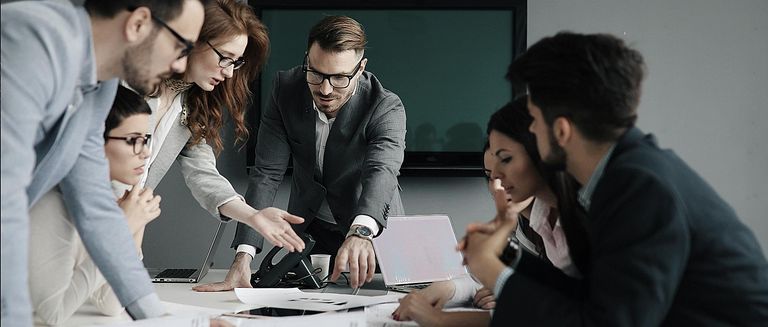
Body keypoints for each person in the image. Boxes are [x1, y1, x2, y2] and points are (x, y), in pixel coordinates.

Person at [462, 32, 768, 326]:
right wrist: (507, 255)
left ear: (562, 131)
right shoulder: (631, 172)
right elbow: (593, 300)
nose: (531, 132)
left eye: (535, 121)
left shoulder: (638, 187)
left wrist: (491, 271)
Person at [1, 0, 206, 324]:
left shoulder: (101, 84)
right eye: (182, 47)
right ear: (138, 22)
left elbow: (96, 205)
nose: (181, 66)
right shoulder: (35, 37)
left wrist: (160, 319)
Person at [196, 15, 407, 292]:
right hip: (311, 232)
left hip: (371, 229)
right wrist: (242, 257)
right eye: (316, 74)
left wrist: (362, 231)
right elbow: (266, 174)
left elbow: (381, 171)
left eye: (340, 78)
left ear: (360, 68)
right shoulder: (286, 89)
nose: (326, 89)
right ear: (307, 59)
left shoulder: (385, 106)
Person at [137, 0, 305, 285]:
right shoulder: (130, 88)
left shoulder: (193, 105)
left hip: (126, 227)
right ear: (192, 40)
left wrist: (254, 217)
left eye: (235, 62)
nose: (229, 72)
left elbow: (204, 176)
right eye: (224, 57)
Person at [394, 99, 583, 326]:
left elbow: (563, 309)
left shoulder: (583, 217)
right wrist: (450, 289)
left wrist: (505, 286)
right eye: (489, 174)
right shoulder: (538, 220)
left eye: (506, 159)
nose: (496, 183)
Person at [28, 86, 160, 325]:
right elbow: (52, 315)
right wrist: (122, 229)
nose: (146, 152)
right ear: (92, 139)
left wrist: (134, 225)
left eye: (146, 139)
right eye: (133, 140)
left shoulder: (108, 198)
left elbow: (112, 304)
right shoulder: (51, 200)